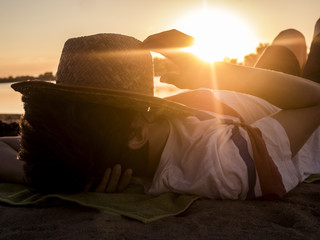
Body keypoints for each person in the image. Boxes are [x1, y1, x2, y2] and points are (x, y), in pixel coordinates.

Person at [1, 18, 319, 199]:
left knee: (290, 37)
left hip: (254, 99)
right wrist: (218, 71)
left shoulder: (83, 142)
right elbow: (316, 99)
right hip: (303, 112)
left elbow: (14, 148)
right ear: (138, 132)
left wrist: (47, 177)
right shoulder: (220, 165)